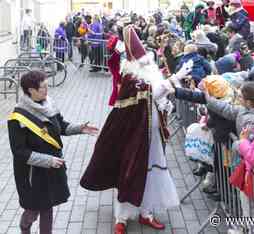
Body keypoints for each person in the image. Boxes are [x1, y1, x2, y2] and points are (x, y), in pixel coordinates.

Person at [80, 26, 192, 234]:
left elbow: (157, 96)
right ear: (138, 62)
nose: (149, 63)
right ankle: (121, 218)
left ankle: (146, 213)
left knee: (151, 172)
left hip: (153, 133)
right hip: (133, 134)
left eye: (149, 60)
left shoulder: (149, 73)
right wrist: (174, 79)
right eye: (146, 61)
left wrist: (167, 95)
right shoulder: (132, 77)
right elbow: (151, 93)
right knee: (130, 171)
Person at [8, 71, 98, 234]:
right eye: (43, 87)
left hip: (52, 167)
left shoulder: (49, 103)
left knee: (47, 207)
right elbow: (19, 152)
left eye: (47, 86)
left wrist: (79, 128)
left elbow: (61, 126)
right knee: (33, 210)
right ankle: (25, 226)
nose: (46, 90)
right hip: (31, 173)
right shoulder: (17, 118)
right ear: (30, 90)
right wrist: (47, 160)